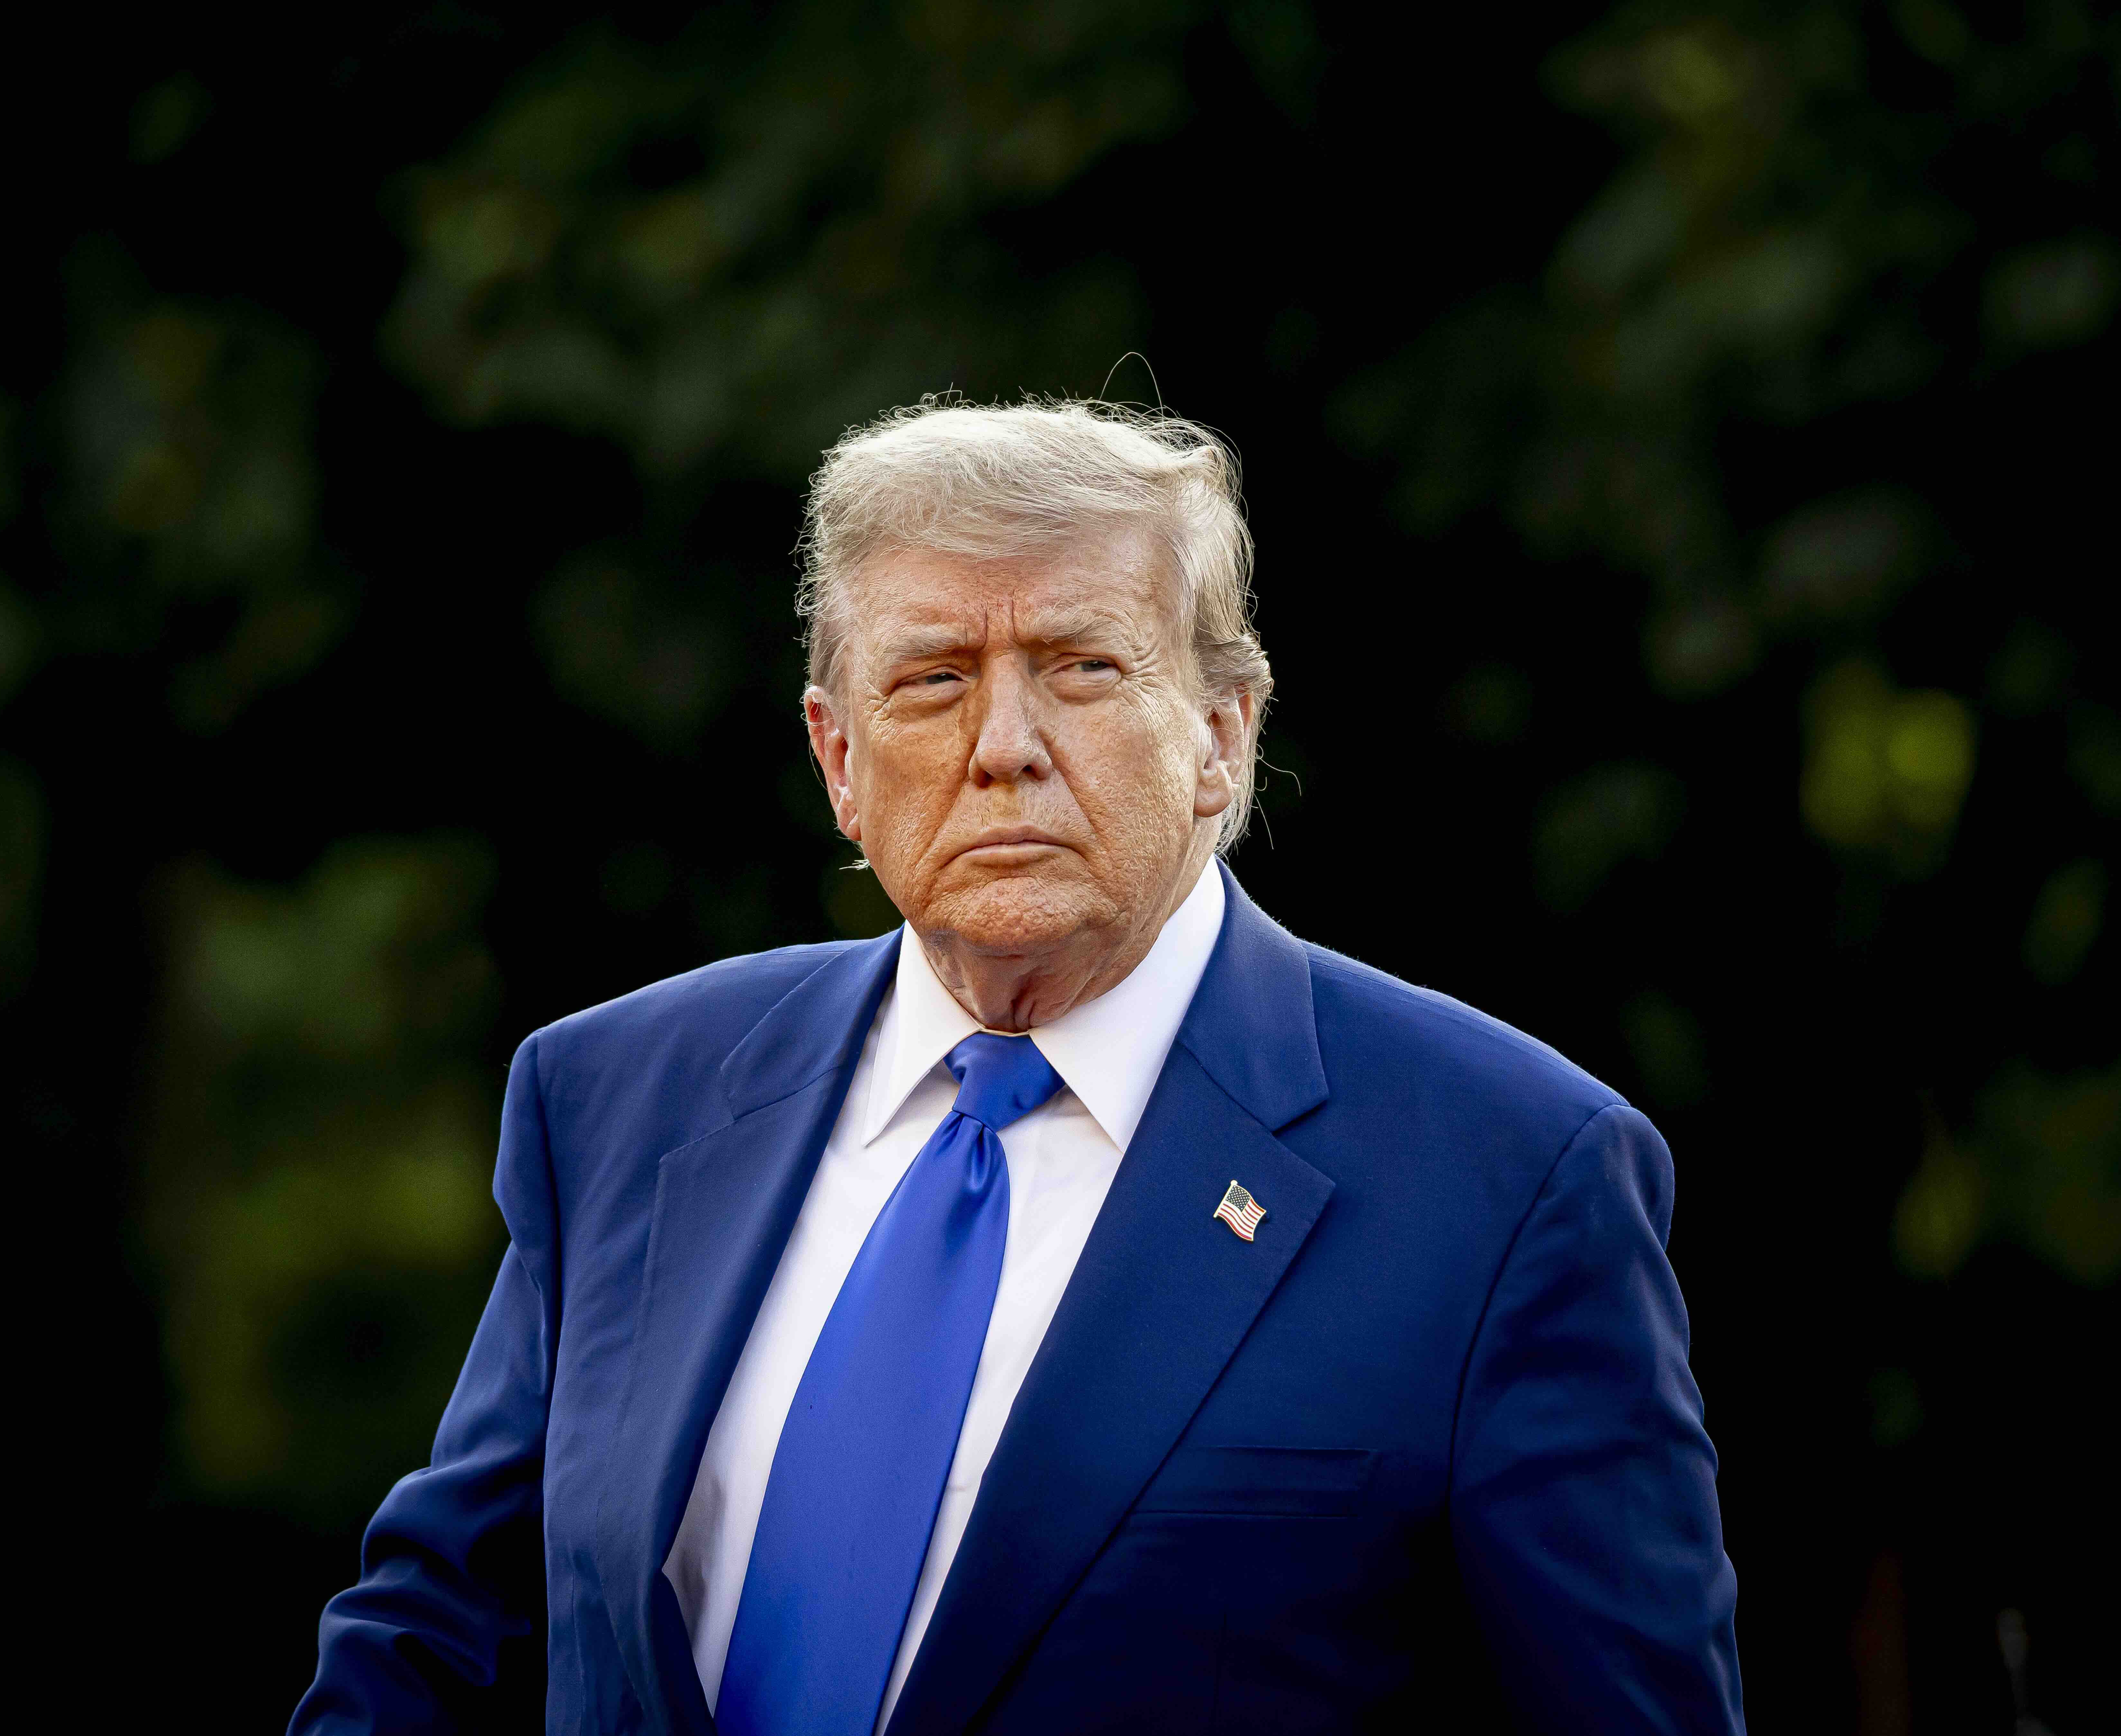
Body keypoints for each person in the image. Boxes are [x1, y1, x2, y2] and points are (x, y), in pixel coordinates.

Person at [291, 400, 1744, 1734]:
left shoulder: (1505, 1179)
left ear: (1222, 737)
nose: (1004, 748)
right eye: (932, 680)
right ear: (837, 758)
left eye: (1080, 669)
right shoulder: (622, 1098)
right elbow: (430, 1640)